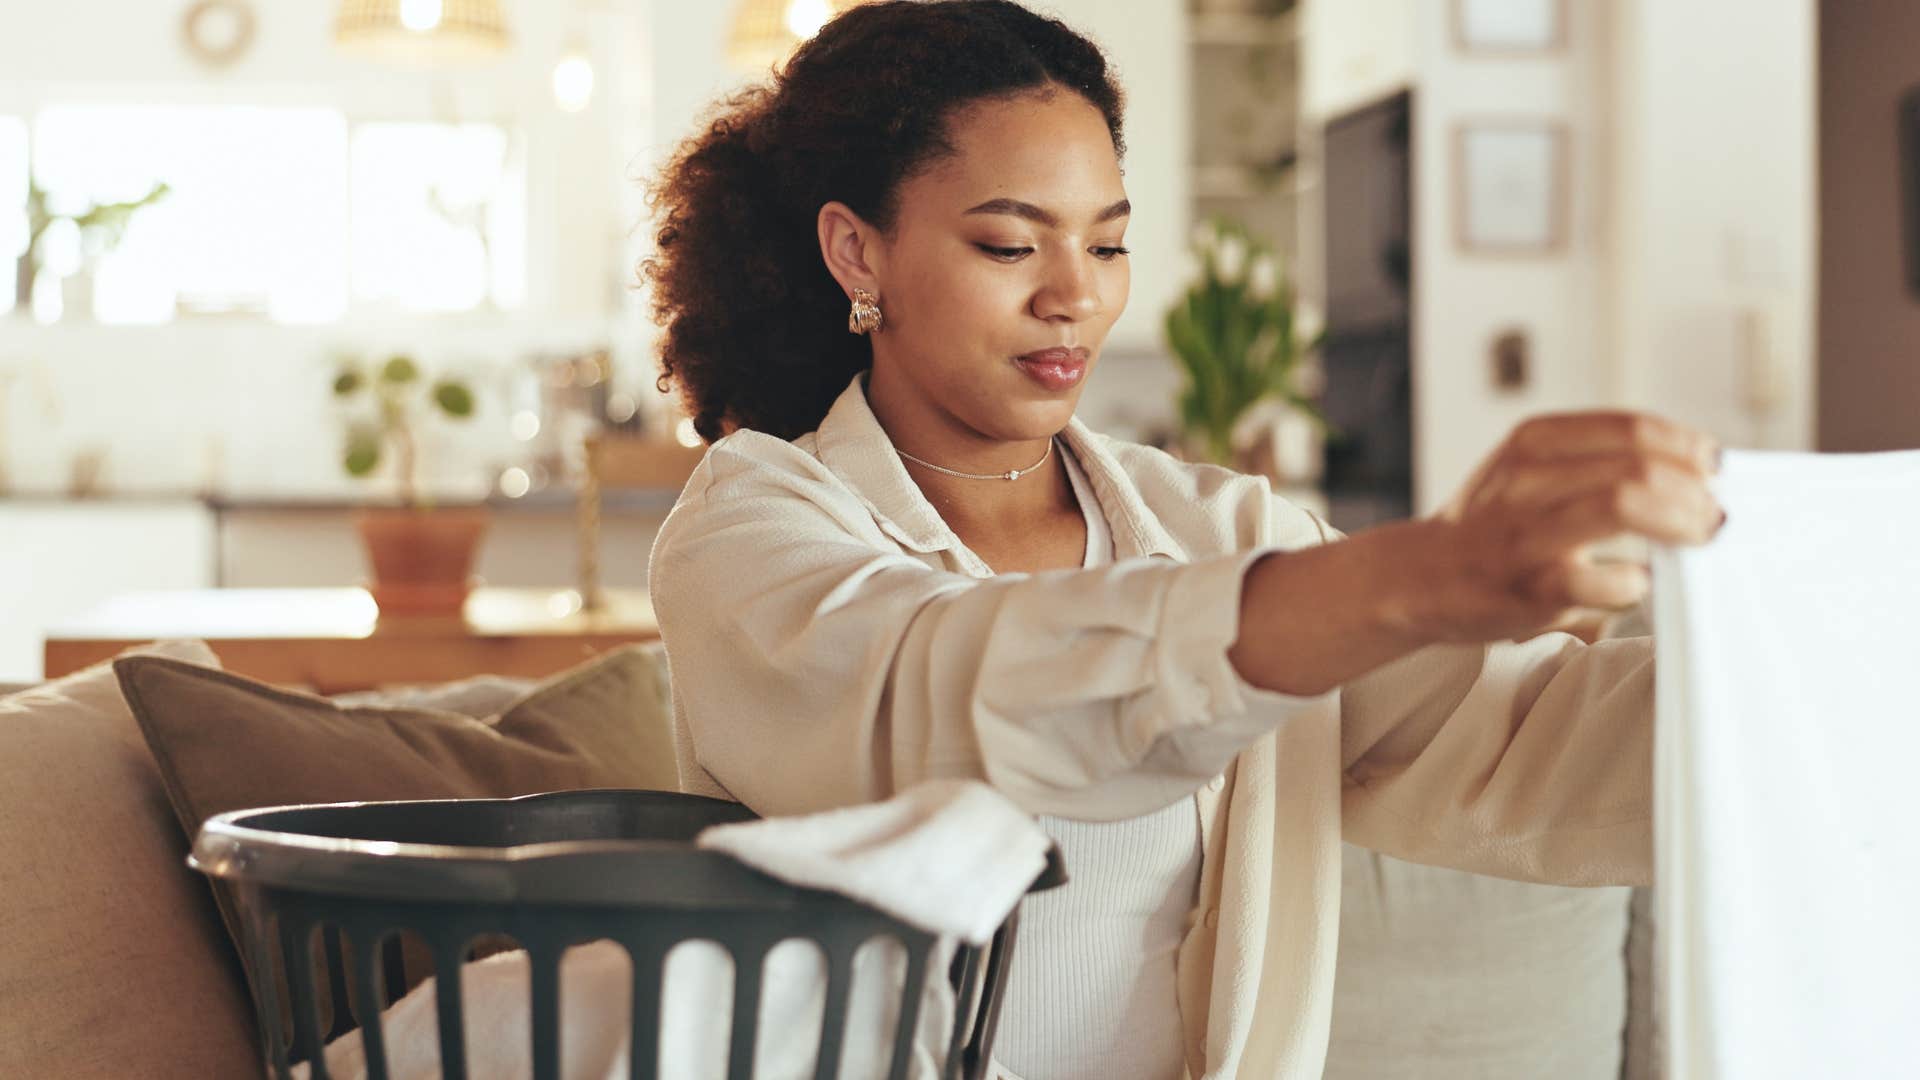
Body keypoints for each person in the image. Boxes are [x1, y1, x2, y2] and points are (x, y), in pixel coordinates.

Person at [642, 3, 1723, 1077]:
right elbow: (956, 702)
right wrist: (1421, 570)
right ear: (856, 253)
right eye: (1012, 243)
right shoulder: (754, 528)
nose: (1076, 295)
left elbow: (1524, 735)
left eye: (1108, 243)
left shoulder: (1220, 528)